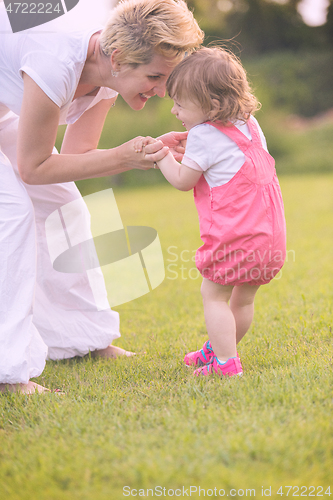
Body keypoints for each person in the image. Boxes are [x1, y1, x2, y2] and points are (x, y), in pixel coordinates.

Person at [0, 0, 204, 394]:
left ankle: (81, 339)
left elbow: (75, 158)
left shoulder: (107, 74)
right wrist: (120, 157)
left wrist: (140, 153)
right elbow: (33, 167)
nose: (163, 91)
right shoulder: (56, 59)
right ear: (119, 58)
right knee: (12, 214)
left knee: (66, 208)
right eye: (156, 76)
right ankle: (6, 373)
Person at [137, 46, 286, 377]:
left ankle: (226, 363)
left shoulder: (204, 135)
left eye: (179, 103)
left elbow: (182, 179)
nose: (174, 110)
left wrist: (162, 155)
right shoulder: (250, 125)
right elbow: (225, 162)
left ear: (211, 105)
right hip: (268, 237)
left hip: (236, 236)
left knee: (214, 296)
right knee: (242, 301)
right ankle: (219, 349)